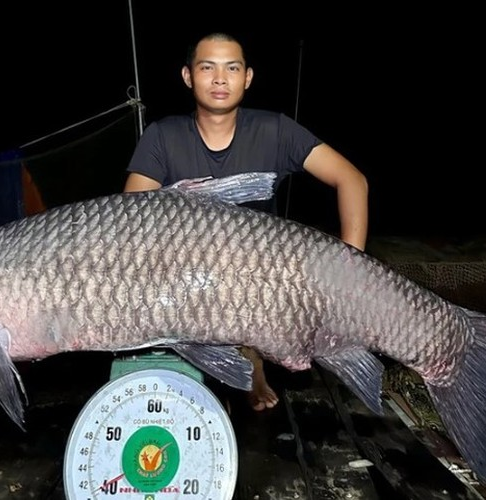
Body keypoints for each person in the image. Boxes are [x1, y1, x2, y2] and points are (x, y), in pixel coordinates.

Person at [123, 32, 368, 411]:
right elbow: (127, 219)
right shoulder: (162, 135)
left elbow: (351, 179)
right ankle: (206, 359)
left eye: (232, 68)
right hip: (182, 274)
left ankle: (253, 356)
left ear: (247, 77)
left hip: (260, 276)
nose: (220, 79)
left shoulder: (276, 129)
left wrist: (351, 264)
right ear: (188, 76)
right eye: (208, 68)